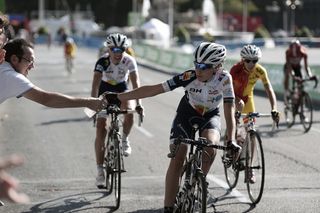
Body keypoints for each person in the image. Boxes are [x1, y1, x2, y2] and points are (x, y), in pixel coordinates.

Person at [104, 42, 241, 212]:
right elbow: (154, 89)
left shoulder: (224, 79)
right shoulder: (189, 77)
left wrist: (231, 139)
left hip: (210, 116)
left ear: (217, 67)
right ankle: (168, 206)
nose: (198, 70)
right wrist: (119, 96)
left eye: (204, 66)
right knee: (178, 156)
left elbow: (229, 108)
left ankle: (198, 183)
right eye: (196, 65)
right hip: (186, 115)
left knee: (210, 147)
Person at [91, 33, 142, 188]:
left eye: (121, 49)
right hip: (105, 91)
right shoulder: (102, 61)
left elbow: (136, 84)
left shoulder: (129, 60)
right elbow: (95, 85)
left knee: (130, 111)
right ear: (109, 49)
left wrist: (140, 104)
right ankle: (100, 171)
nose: (118, 52)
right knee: (101, 128)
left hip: (122, 89)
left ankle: (125, 139)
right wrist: (93, 105)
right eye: (114, 49)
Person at [230, 44, 280, 183]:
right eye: (248, 60)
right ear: (242, 59)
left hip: (248, 101)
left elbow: (269, 90)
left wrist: (274, 108)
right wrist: (237, 100)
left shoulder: (260, 71)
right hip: (234, 99)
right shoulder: (235, 70)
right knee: (236, 128)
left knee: (251, 132)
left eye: (255, 60)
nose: (251, 64)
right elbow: (227, 90)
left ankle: (249, 167)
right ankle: (232, 146)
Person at [283, 39, 314, 103]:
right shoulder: (288, 52)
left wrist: (310, 75)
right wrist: (293, 75)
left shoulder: (303, 53)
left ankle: (298, 97)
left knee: (301, 80)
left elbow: (306, 66)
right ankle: (286, 93)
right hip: (289, 66)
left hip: (297, 67)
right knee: (287, 75)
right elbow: (289, 66)